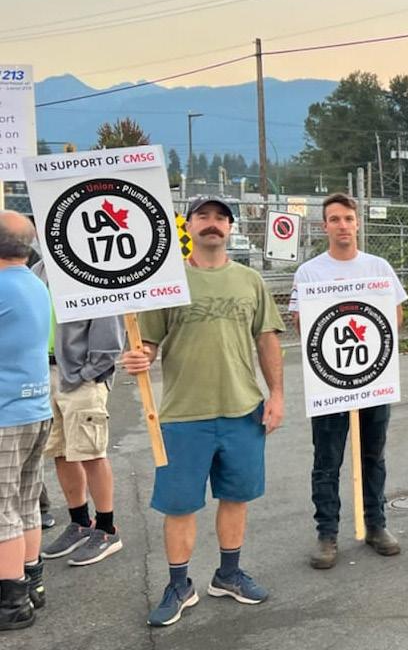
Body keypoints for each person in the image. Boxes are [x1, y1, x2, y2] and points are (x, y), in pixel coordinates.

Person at [121, 196, 285, 626]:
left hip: (242, 411)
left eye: (221, 218)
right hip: (183, 415)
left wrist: (277, 395)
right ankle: (179, 585)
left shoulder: (250, 281)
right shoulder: (167, 283)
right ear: (189, 225)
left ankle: (228, 575)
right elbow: (148, 343)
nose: (213, 223)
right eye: (203, 216)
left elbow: (267, 340)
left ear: (230, 228)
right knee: (179, 505)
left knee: (236, 498)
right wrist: (139, 357)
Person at [289, 193, 407, 569]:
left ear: (357, 224)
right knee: (327, 460)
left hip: (372, 378)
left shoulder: (378, 268)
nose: (343, 225)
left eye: (348, 219)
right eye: (335, 219)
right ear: (324, 225)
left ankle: (376, 525)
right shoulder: (309, 273)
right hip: (329, 382)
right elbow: (301, 324)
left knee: (373, 455)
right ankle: (327, 534)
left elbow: (396, 317)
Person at [33, 261, 125, 567]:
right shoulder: (37, 271)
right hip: (44, 372)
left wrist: (86, 373)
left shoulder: (91, 268)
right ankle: (80, 522)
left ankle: (107, 529)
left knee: (90, 452)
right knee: (60, 451)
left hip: (81, 378)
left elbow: (110, 333)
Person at [0, 211, 51, 630]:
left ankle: (11, 601)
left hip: (4, 413)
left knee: (2, 511)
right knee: (26, 502)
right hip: (35, 408)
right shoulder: (35, 283)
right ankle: (32, 580)